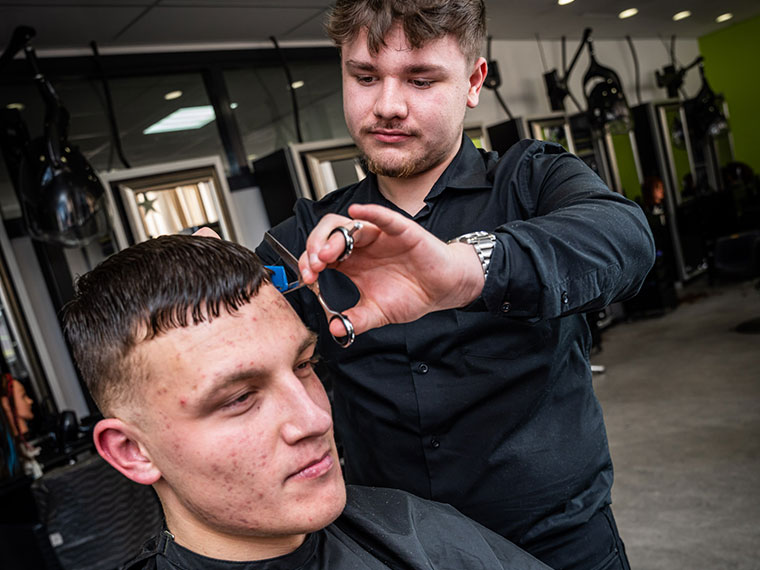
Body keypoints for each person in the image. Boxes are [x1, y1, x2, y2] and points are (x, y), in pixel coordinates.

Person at [255, 1, 656, 569]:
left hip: (558, 546)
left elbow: (625, 239)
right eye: (364, 77)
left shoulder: (532, 179)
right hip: (396, 551)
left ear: (473, 81)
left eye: (421, 79)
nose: (387, 105)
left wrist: (468, 270)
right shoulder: (303, 236)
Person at [61, 235, 550, 570]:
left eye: (303, 365)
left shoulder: (418, 531)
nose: (314, 419)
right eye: (239, 398)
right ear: (132, 451)